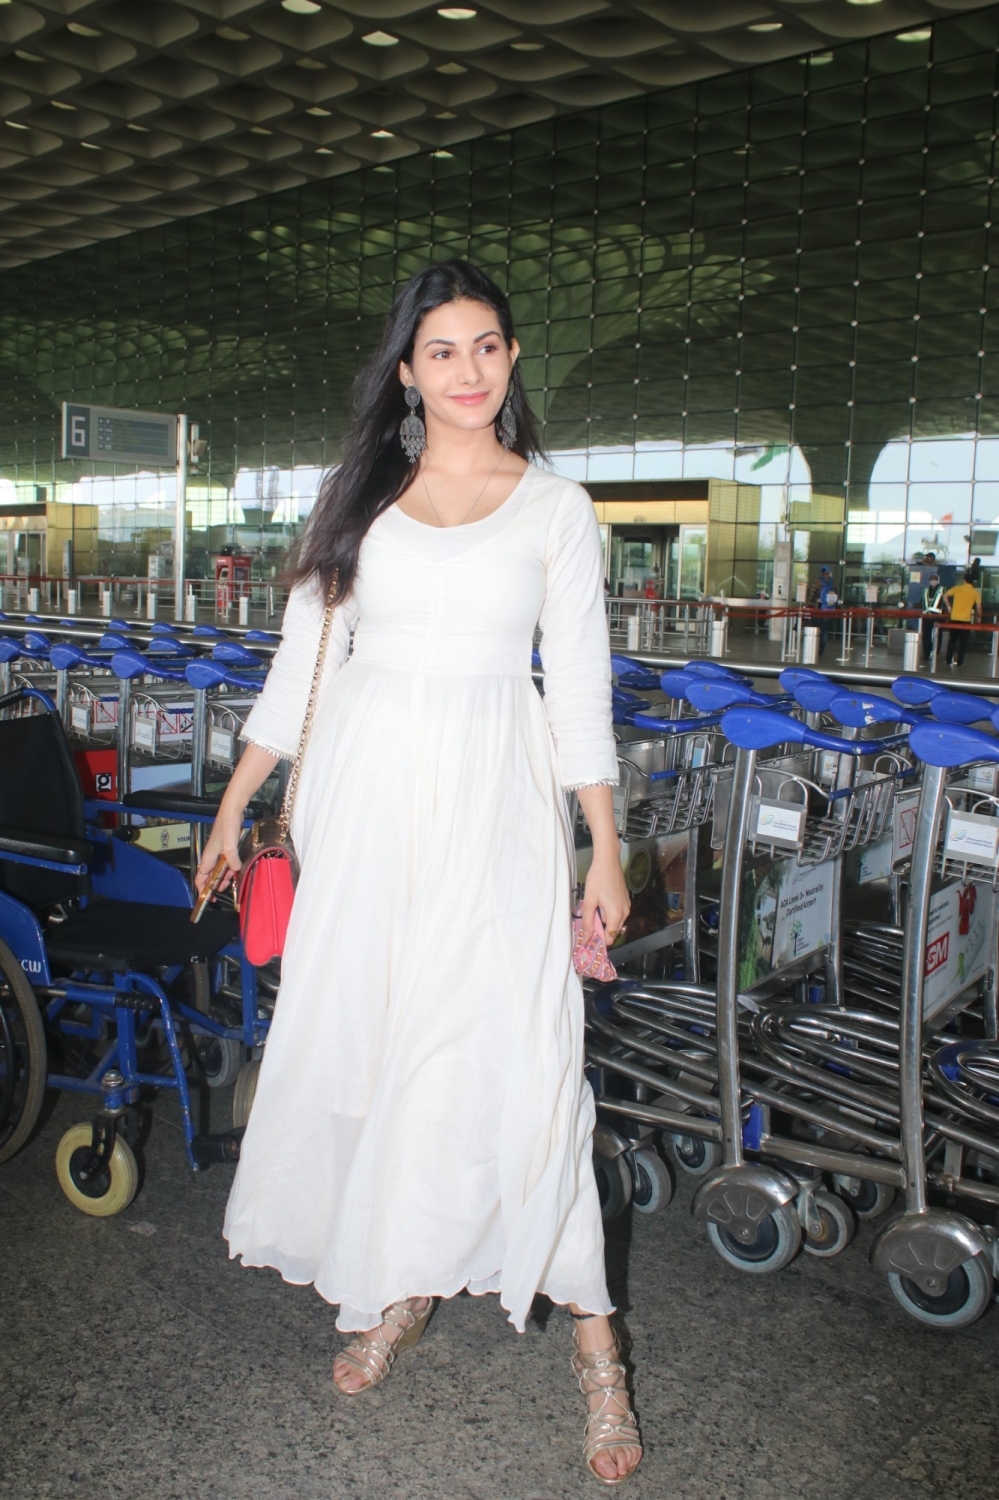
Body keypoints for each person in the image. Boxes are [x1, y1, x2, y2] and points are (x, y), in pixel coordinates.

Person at [196, 261, 642, 1487]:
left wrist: (605, 846)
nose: (467, 369)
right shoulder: (357, 502)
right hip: (368, 809)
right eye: (442, 350)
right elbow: (302, 666)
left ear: (511, 357)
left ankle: (597, 1346)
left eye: (486, 345)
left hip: (498, 810)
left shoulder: (554, 507)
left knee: (527, 1054)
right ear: (407, 372)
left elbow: (580, 690)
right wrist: (235, 805)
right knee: (391, 1047)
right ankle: (401, 1282)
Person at [942, 569, 982, 668]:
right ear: (972, 582)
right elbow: (979, 607)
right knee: (963, 642)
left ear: (964, 580)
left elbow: (945, 596)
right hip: (966, 620)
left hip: (954, 618)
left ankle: (948, 660)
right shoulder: (975, 592)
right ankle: (960, 661)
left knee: (952, 640)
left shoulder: (957, 588)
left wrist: (949, 607)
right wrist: (978, 617)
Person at [807, 565, 837, 655]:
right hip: (828, 610)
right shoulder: (832, 582)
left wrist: (809, 603)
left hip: (818, 608)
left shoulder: (818, 581)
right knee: (825, 630)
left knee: (814, 628)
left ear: (822, 572)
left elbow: (812, 594)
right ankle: (821, 649)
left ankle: (814, 647)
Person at [921, 572, 945, 663]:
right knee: (926, 636)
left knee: (937, 636)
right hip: (927, 616)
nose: (933, 580)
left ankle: (935, 654)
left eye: (935, 579)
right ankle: (926, 654)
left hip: (938, 617)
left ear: (938, 580)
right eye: (931, 579)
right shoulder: (925, 590)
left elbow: (946, 602)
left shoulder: (943, 590)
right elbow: (922, 602)